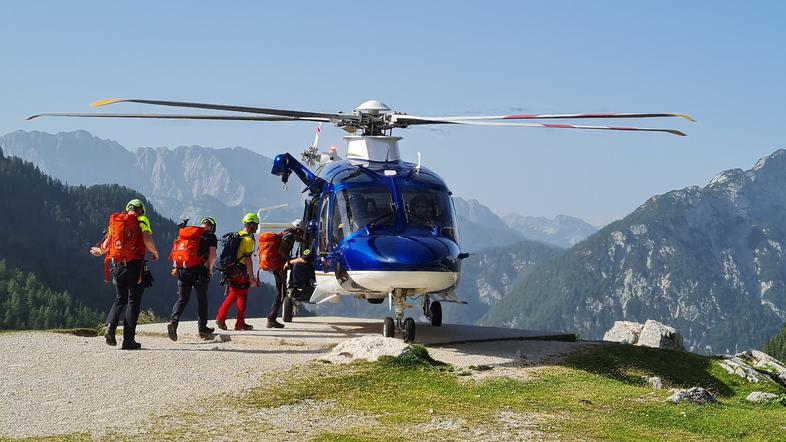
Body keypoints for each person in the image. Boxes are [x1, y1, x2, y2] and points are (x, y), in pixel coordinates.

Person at [90, 198, 159, 350]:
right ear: (141, 210)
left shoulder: (116, 222)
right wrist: (155, 252)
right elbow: (147, 239)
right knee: (133, 301)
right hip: (135, 266)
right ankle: (128, 341)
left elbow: (108, 242)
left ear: (127, 208)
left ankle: (110, 328)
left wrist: (99, 251)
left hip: (118, 266)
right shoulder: (141, 220)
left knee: (120, 299)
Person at [167, 217, 218, 341]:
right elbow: (213, 255)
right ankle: (202, 329)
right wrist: (209, 269)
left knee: (182, 299)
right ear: (212, 227)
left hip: (182, 270)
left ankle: (173, 322)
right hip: (199, 272)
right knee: (202, 300)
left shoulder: (188, 234)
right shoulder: (210, 236)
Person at [215, 213, 260, 331]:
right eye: (255, 225)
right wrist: (251, 276)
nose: (257, 228)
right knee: (236, 294)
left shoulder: (238, 235)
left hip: (231, 270)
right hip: (241, 271)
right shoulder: (248, 240)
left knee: (240, 295)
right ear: (250, 224)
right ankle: (221, 317)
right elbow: (248, 259)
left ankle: (240, 322)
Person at [268, 219, 303, 328]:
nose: (301, 234)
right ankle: (271, 319)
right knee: (282, 293)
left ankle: (271, 318)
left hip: (276, 266)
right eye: (301, 231)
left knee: (281, 293)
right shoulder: (289, 236)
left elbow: (296, 240)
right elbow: (281, 251)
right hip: (279, 267)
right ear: (297, 229)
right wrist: (290, 260)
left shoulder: (287, 233)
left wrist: (305, 242)